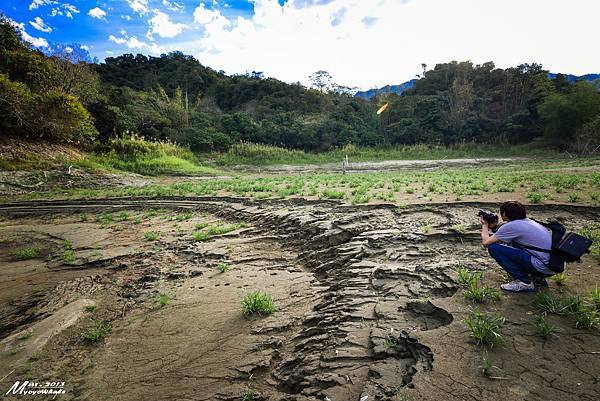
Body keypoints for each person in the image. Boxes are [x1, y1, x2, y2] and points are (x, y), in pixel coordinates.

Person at [480, 201, 555, 292]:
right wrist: (493, 227)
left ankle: (524, 282)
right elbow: (504, 235)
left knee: (494, 248)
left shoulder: (511, 226)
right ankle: (536, 277)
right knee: (514, 243)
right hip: (552, 266)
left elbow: (486, 243)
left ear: (504, 213)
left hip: (542, 267)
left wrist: (485, 225)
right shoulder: (530, 222)